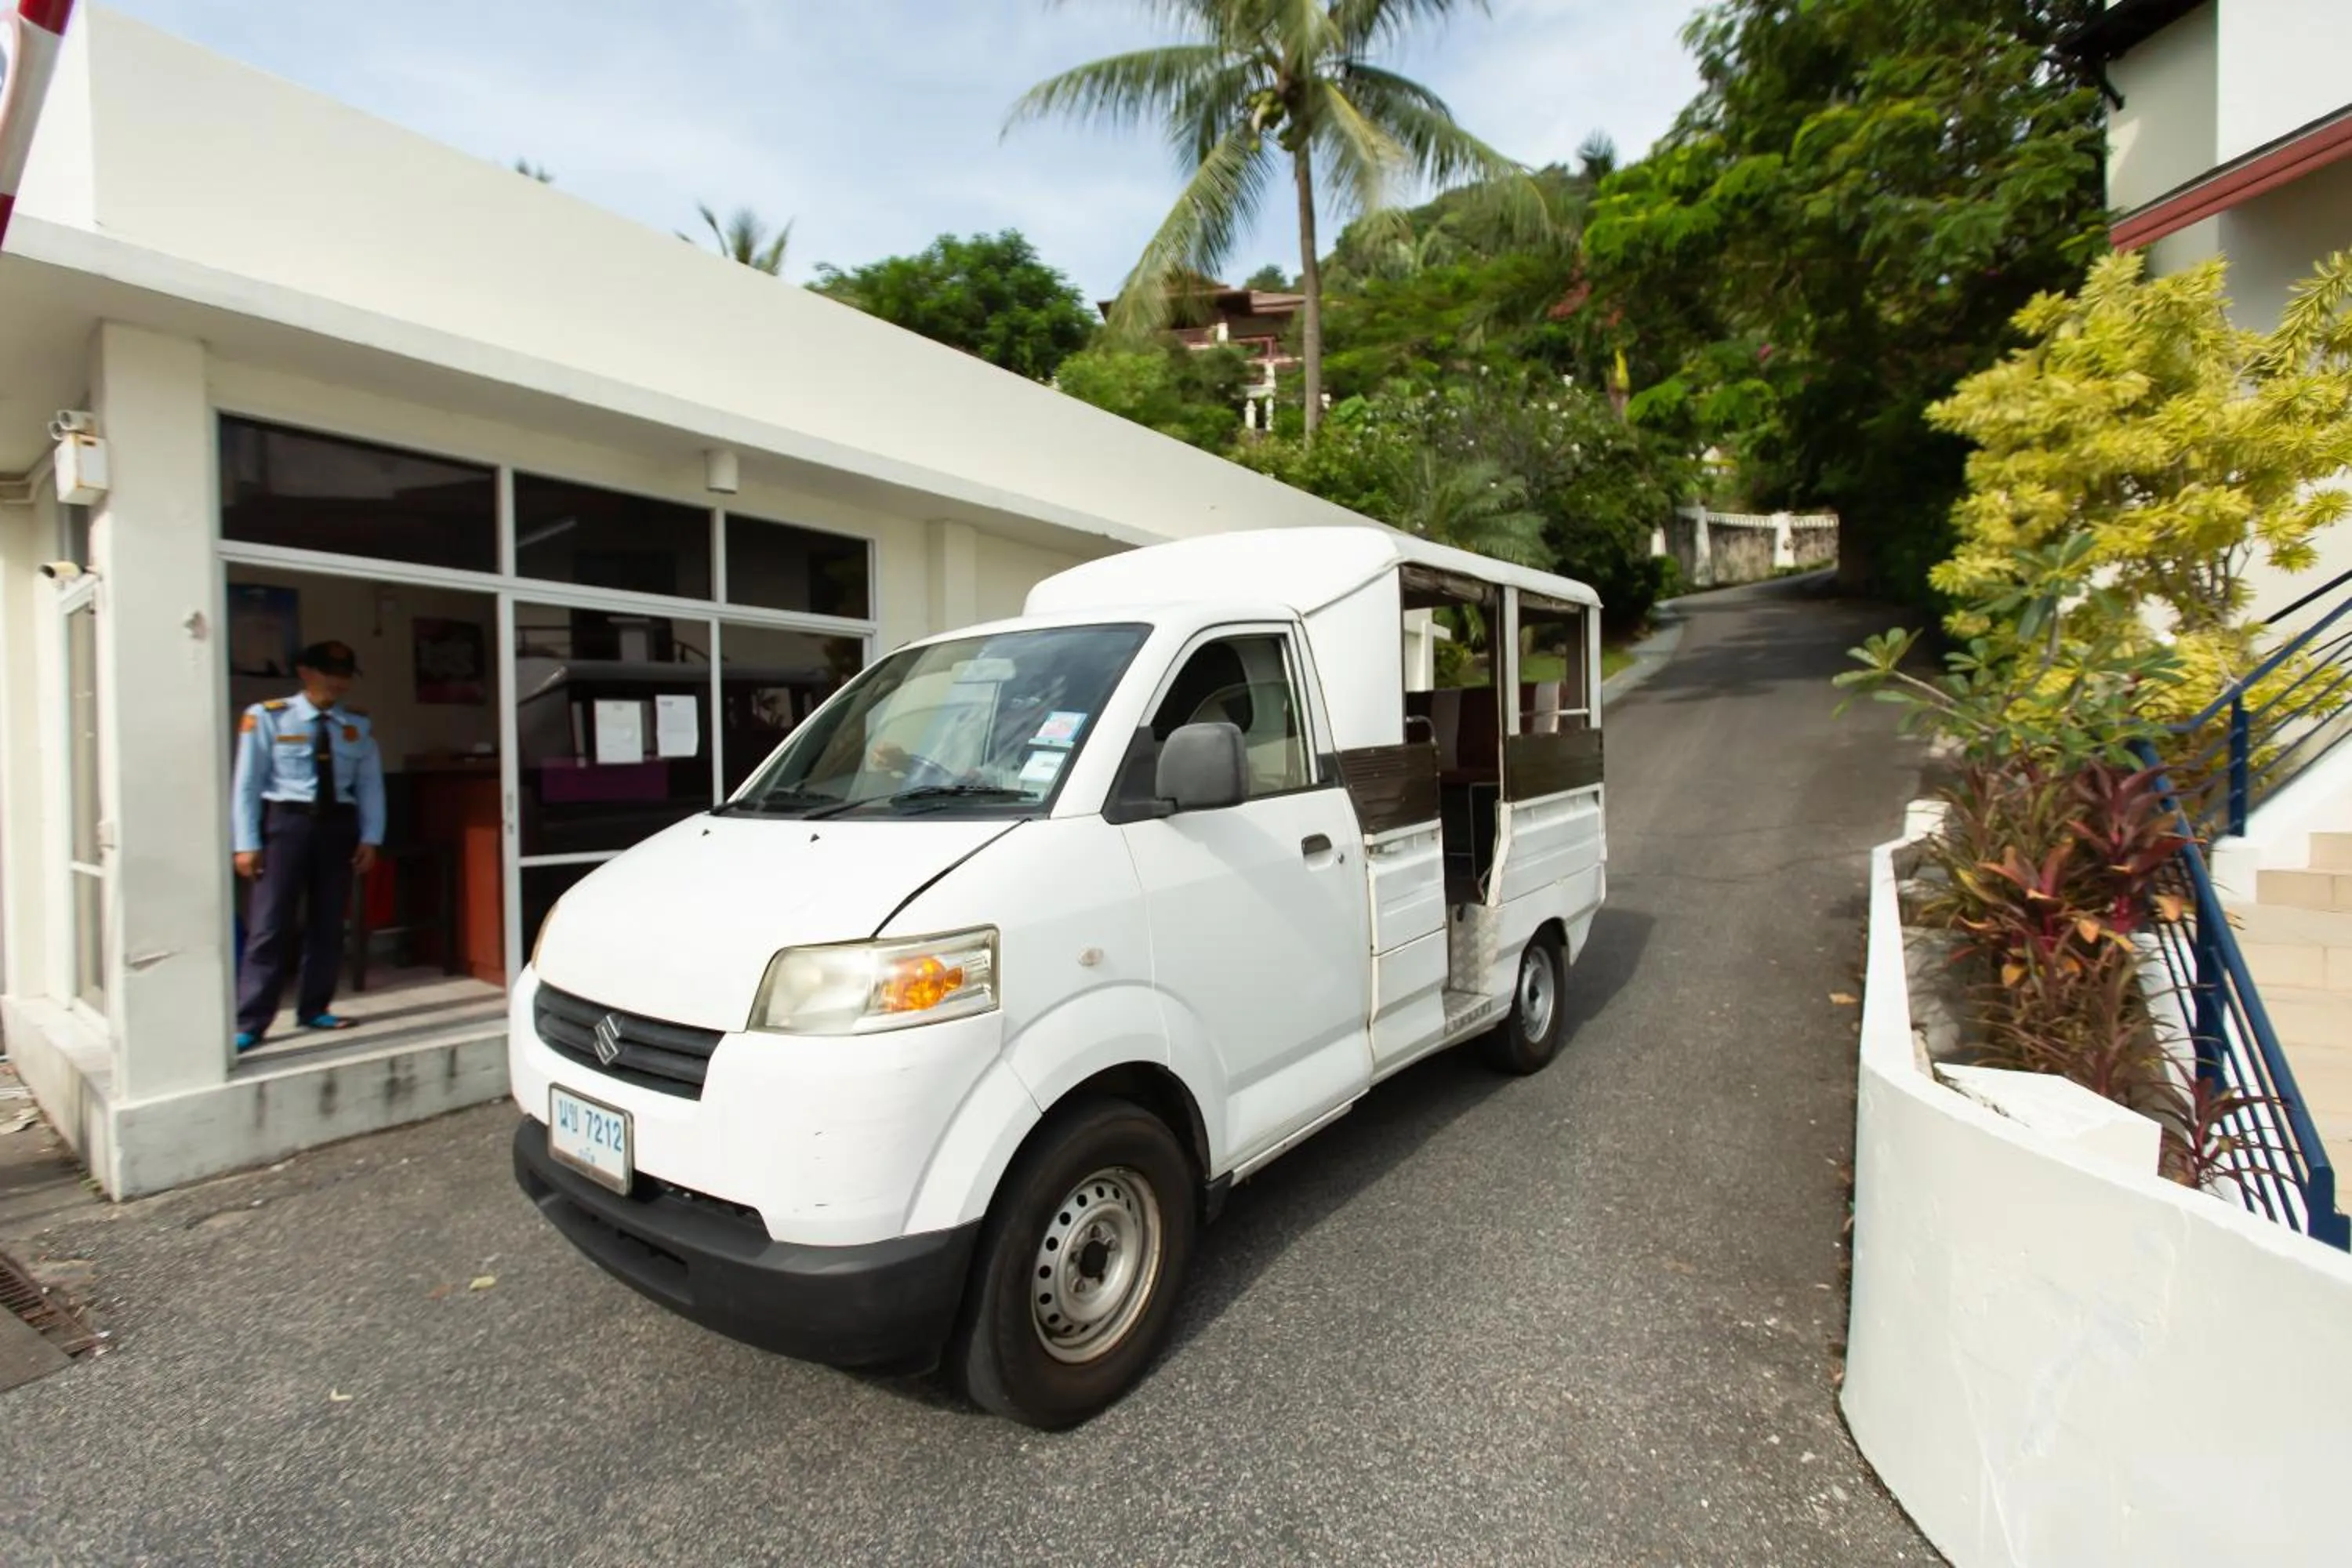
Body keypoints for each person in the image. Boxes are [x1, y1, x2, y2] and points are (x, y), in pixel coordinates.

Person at [230, 640, 385, 1051]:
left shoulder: (358, 725)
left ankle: (314, 1007)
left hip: (338, 827)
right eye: (327, 672)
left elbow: (370, 784)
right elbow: (247, 782)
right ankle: (251, 1019)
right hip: (286, 824)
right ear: (304, 672)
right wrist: (246, 843)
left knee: (329, 923)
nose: (337, 681)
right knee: (269, 925)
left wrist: (371, 836)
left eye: (344, 674)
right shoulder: (267, 717)